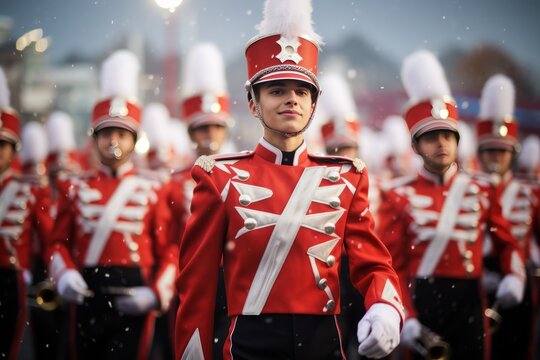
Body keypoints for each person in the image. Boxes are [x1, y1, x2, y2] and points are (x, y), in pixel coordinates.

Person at [175, 1, 404, 359]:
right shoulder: (219, 177)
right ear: (253, 104)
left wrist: (386, 306)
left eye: (301, 91)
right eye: (277, 91)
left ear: (314, 104)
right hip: (251, 344)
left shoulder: (345, 177)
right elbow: (197, 287)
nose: (291, 101)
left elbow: (373, 264)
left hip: (323, 343)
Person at [377, 50, 526, 360]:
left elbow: (507, 244)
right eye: (431, 137)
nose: (441, 143)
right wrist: (406, 313)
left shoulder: (482, 189)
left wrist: (515, 274)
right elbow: (392, 266)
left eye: (448, 135)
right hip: (422, 300)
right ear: (416, 145)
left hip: (471, 302)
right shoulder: (396, 194)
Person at [45, 50, 178, 359]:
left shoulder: (155, 187)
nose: (113, 141)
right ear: (94, 139)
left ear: (134, 140)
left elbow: (170, 249)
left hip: (135, 286)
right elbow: (56, 243)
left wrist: (155, 294)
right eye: (106, 134)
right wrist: (63, 274)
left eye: (121, 133)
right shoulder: (74, 186)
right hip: (86, 287)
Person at [169, 41, 234, 360]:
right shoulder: (173, 182)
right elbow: (167, 238)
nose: (209, 134)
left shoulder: (241, 174)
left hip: (233, 278)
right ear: (190, 132)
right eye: (202, 127)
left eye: (216, 126)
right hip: (188, 277)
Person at [475, 74, 540, 360]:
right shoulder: (469, 189)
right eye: (489, 150)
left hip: (519, 284)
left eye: (501, 152)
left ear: (511, 153)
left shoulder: (531, 193)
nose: (495, 158)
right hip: (477, 280)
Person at [0, 68, 53, 360]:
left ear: (13, 150)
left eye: (2, 146)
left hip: (12, 280)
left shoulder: (29, 190)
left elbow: (48, 239)